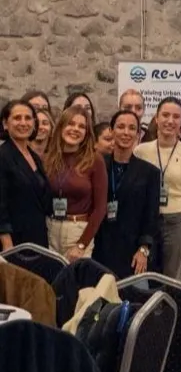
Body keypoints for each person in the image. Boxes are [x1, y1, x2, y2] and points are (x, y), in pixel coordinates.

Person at [134, 97, 181, 282]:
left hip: (177, 222)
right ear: (156, 118)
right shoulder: (140, 151)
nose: (170, 121)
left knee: (176, 282)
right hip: (147, 222)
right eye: (165, 115)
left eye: (176, 117)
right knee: (143, 279)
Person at [93, 110, 159, 279]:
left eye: (132, 128)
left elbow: (151, 216)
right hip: (98, 246)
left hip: (132, 250)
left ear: (138, 134)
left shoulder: (149, 172)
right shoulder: (96, 165)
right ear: (111, 131)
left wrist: (144, 249)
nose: (126, 132)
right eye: (121, 127)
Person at [43, 107, 107, 261]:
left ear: (86, 132)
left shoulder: (94, 160)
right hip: (50, 228)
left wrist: (82, 244)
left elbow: (100, 208)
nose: (75, 129)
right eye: (71, 124)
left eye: (81, 126)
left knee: (76, 276)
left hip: (77, 231)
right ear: (61, 127)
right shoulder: (48, 158)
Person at [0, 101, 50, 249]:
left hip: (36, 237)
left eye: (28, 118)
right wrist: (7, 244)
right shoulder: (3, 156)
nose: (23, 123)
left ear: (34, 123)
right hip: (13, 242)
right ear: (5, 124)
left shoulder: (34, 157)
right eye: (17, 118)